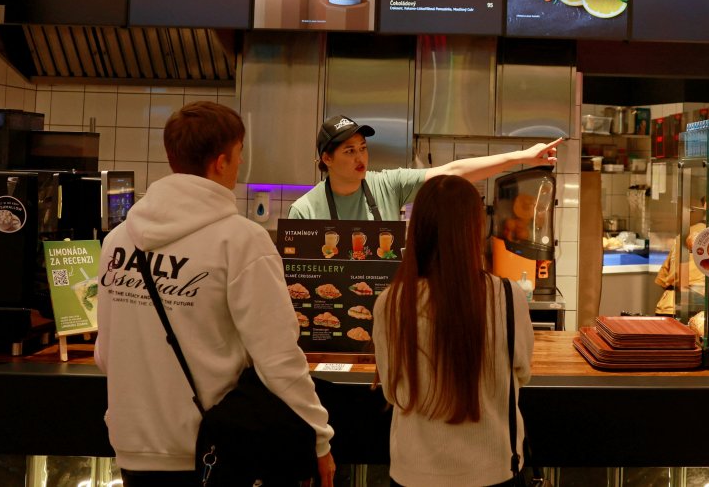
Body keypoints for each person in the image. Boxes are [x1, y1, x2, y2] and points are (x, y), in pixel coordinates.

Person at [95, 101, 336, 487]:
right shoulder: (241, 241)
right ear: (221, 162)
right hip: (211, 451)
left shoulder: (117, 241)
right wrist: (319, 439)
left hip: (132, 448)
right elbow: (278, 358)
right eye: (239, 155)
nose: (240, 167)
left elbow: (106, 356)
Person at [372, 175, 534, 487]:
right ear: (475, 228)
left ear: (418, 227)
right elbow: (522, 372)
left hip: (413, 472)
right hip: (494, 470)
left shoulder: (391, 302)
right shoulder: (508, 296)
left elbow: (392, 391)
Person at [288, 114, 562, 221]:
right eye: (349, 151)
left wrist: (522, 156)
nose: (360, 157)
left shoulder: (387, 185)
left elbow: (454, 172)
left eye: (363, 148)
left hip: (388, 313)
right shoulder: (304, 210)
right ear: (327, 159)